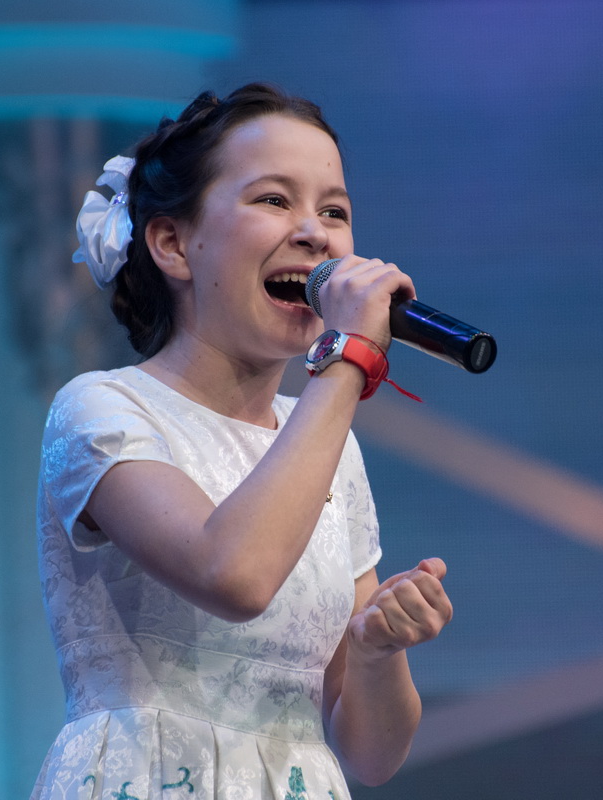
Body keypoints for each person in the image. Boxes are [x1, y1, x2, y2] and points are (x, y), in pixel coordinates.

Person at [31, 83, 453, 800]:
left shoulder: (324, 441)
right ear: (172, 244)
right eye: (274, 200)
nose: (315, 234)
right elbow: (235, 575)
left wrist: (376, 651)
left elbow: (372, 754)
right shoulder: (102, 409)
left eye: (334, 211)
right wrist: (349, 357)